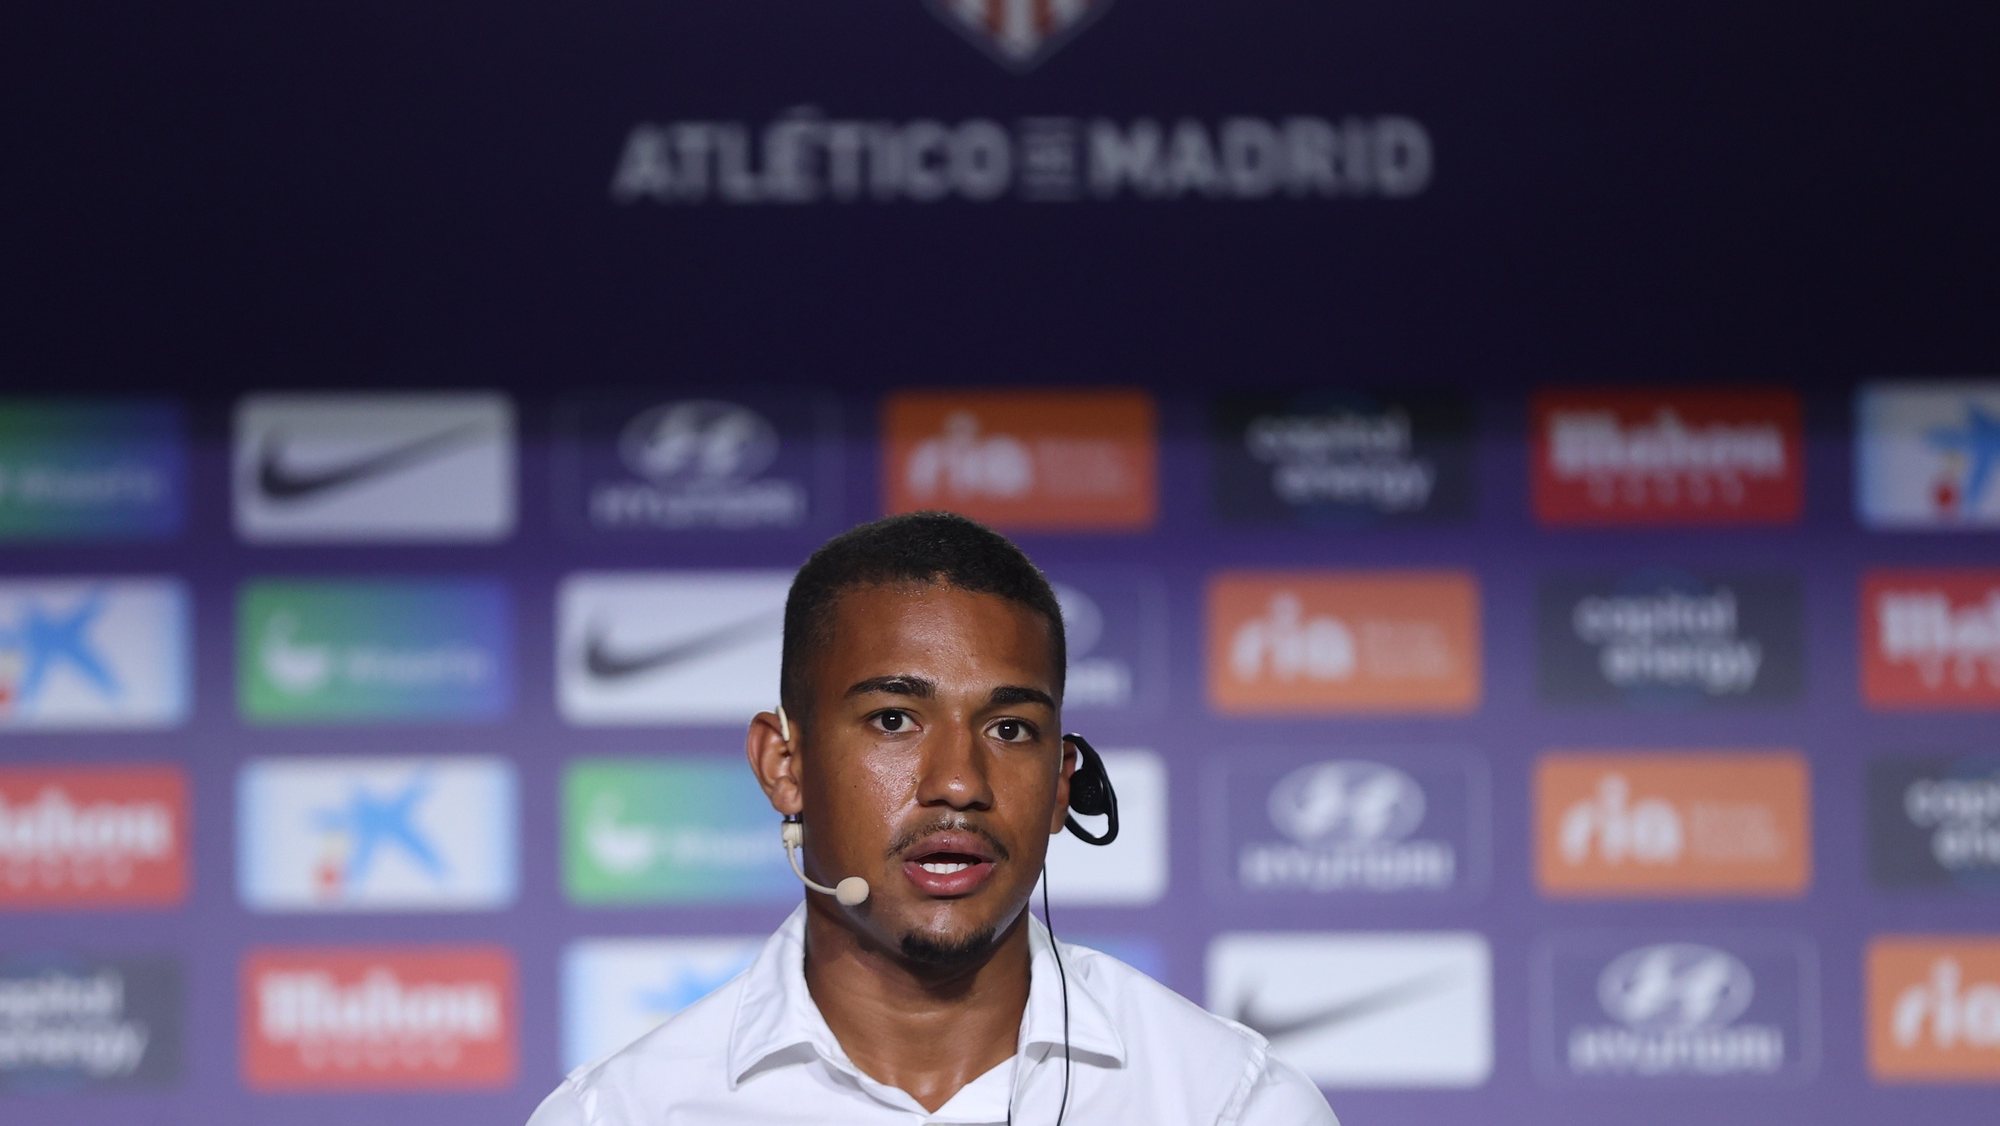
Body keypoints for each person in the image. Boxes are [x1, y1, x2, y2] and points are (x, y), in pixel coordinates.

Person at [528, 511, 1338, 1125]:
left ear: (1063, 784)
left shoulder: (1227, 1104)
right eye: (893, 720)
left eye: (1009, 729)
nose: (958, 783)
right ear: (785, 764)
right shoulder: (625, 1113)